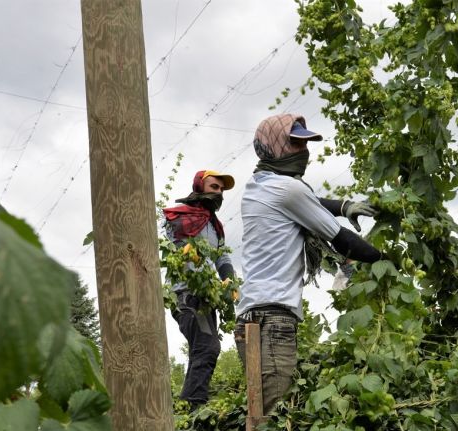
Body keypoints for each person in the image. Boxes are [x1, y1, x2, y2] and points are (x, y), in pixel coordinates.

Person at [234, 113, 383, 414]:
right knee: (272, 415)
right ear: (273, 147)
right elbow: (343, 240)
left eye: (305, 145)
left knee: (258, 410)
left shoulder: (259, 185)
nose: (304, 153)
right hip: (273, 319)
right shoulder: (289, 190)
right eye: (295, 144)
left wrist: (343, 206)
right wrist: (386, 261)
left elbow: (307, 199)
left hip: (249, 316)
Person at [162, 170, 236, 409]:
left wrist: (229, 282)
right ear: (199, 186)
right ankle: (194, 407)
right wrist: (186, 250)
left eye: (221, 190)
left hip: (206, 296)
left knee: (202, 349)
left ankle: (187, 408)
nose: (219, 193)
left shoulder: (215, 227)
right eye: (214, 187)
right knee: (207, 347)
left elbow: (222, 257)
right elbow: (173, 243)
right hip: (184, 294)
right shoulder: (178, 216)